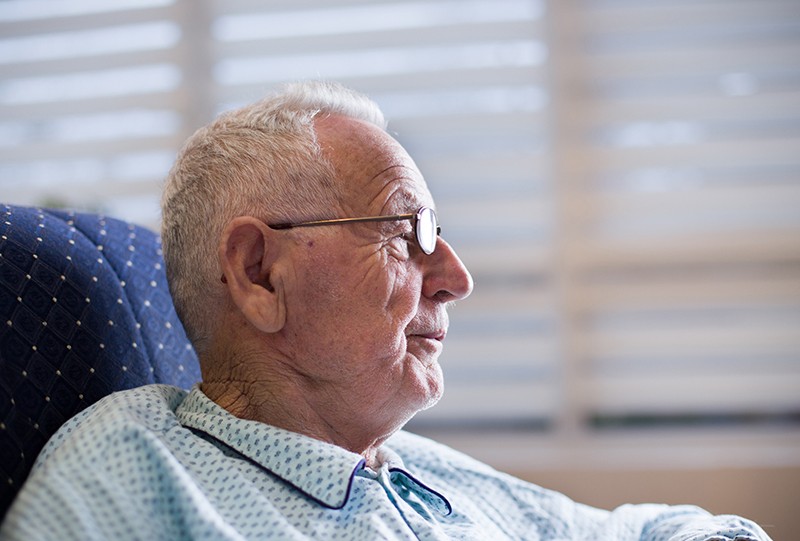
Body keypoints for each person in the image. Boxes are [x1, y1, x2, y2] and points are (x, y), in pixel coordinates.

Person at [0, 81, 772, 541]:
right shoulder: (131, 470)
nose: (457, 278)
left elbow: (632, 529)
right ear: (258, 272)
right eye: (409, 234)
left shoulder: (419, 465)